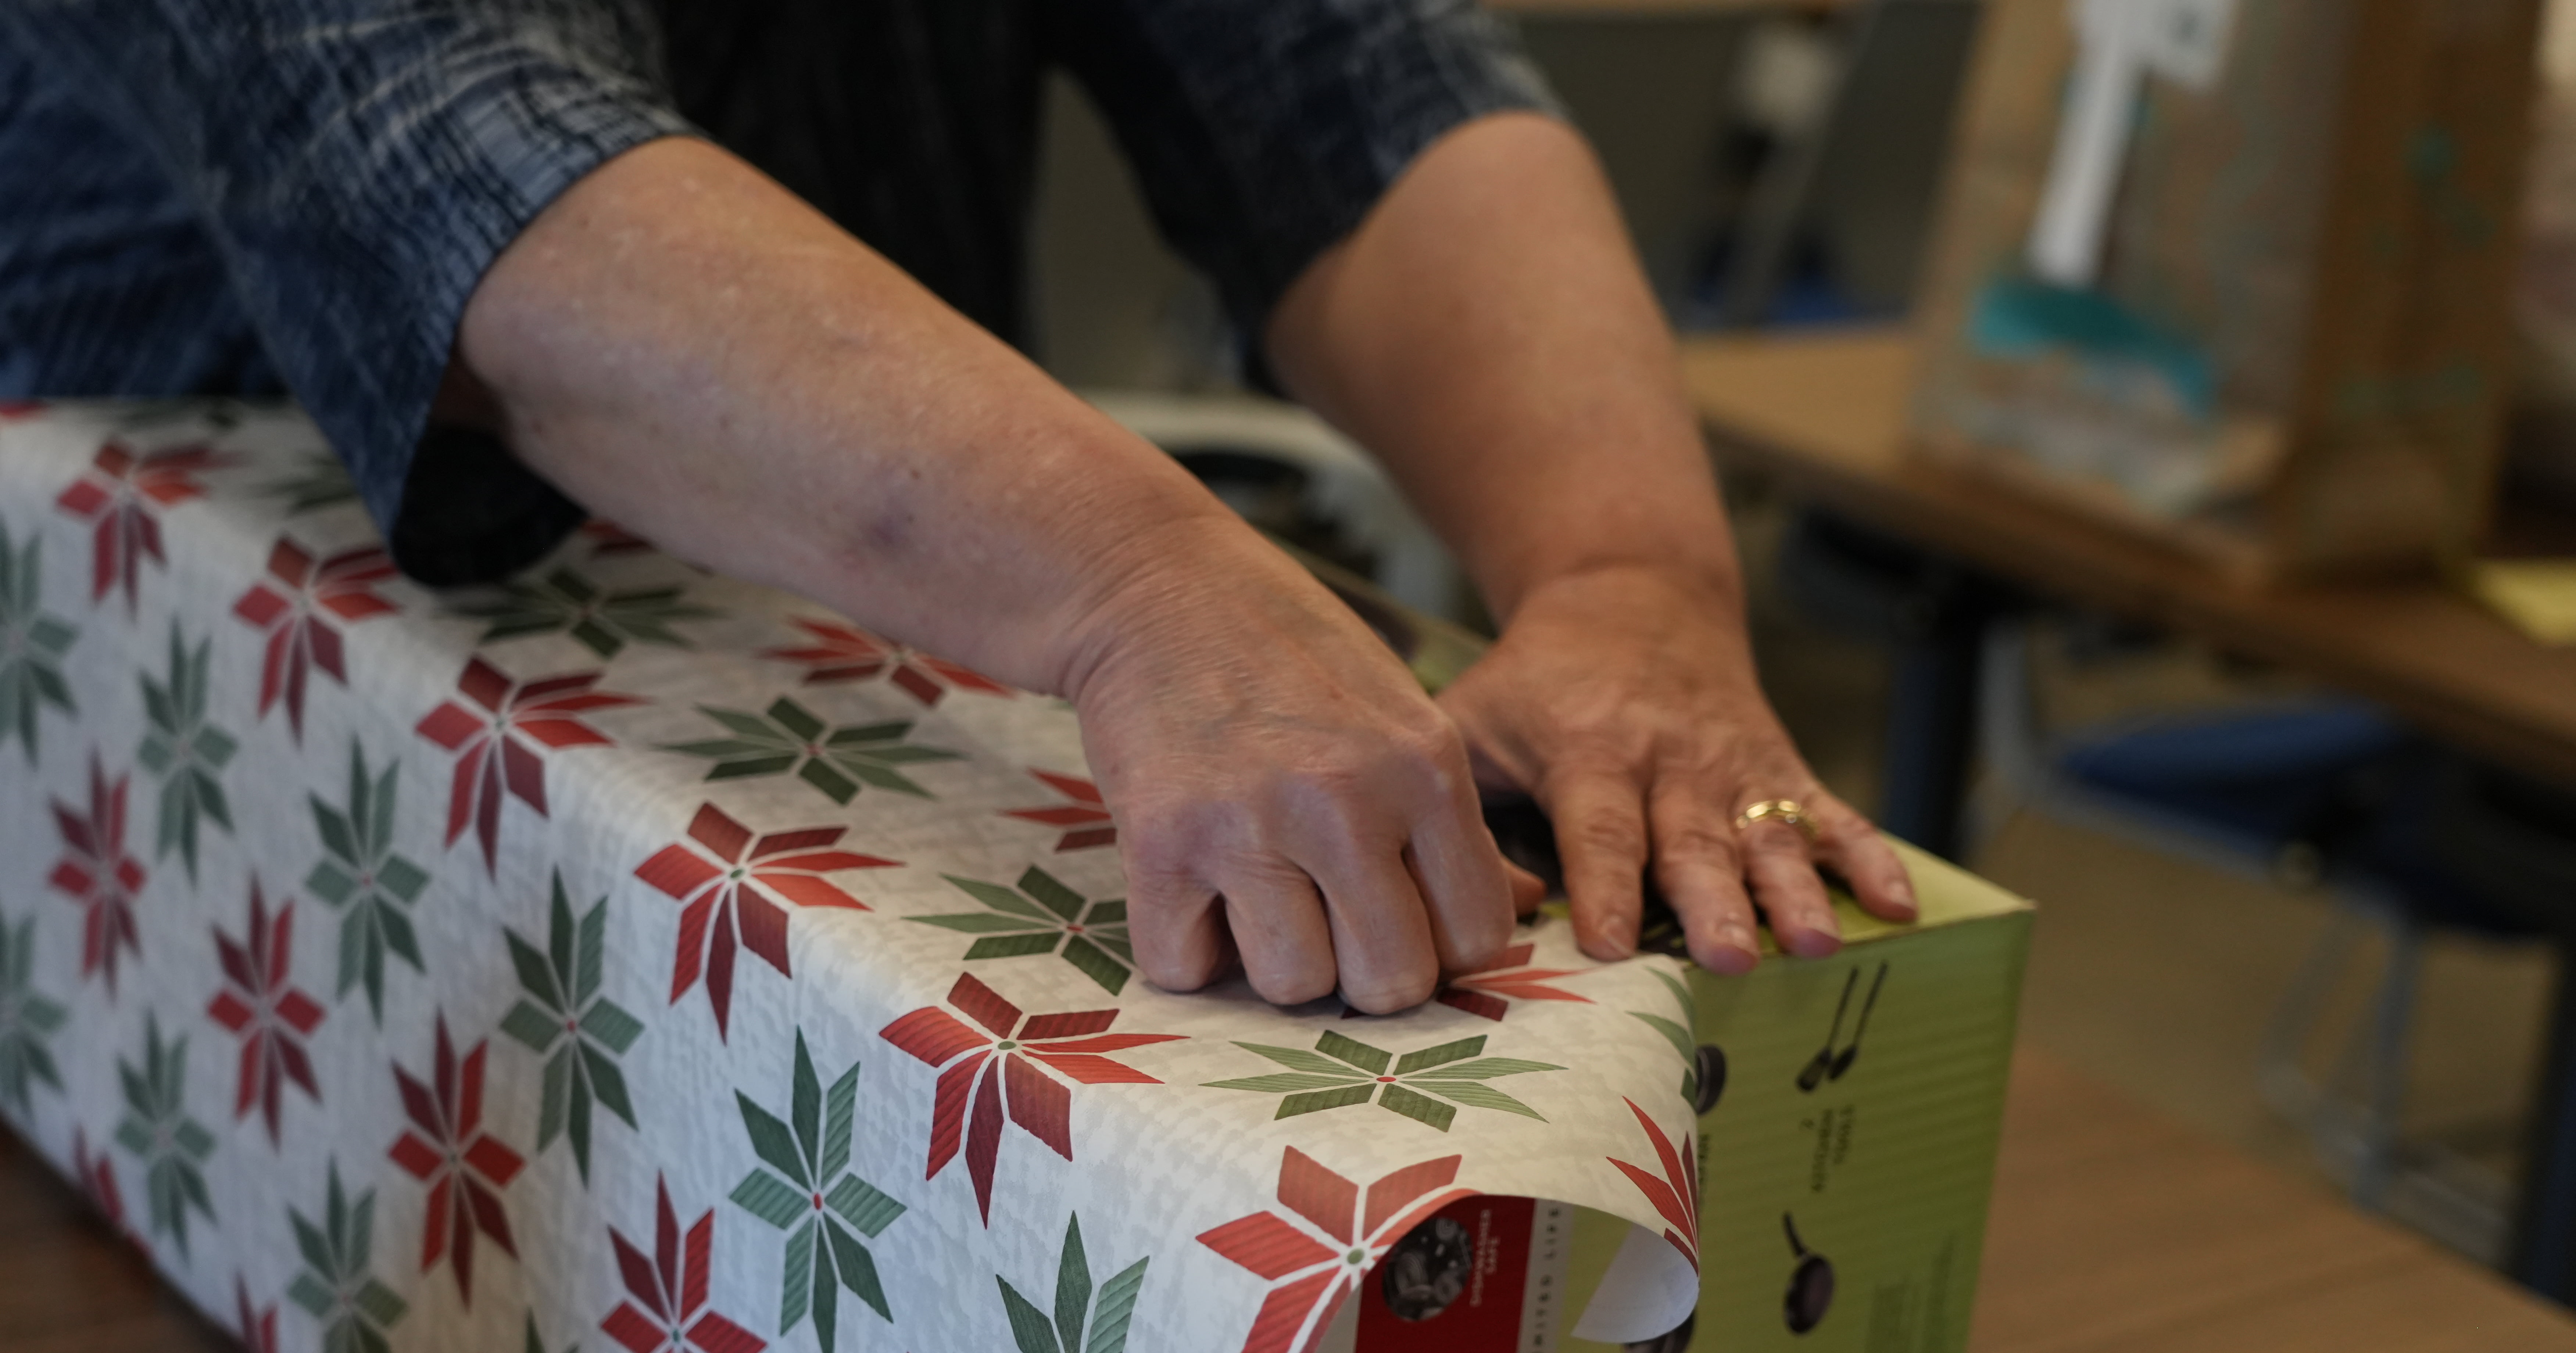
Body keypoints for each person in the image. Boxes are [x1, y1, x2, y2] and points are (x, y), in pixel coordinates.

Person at [0, 0, 1914, 1014]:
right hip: (184, 827)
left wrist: (1625, 570)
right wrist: (1148, 583)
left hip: (852, 697)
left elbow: (1351, 84)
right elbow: (448, 161)